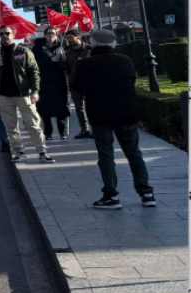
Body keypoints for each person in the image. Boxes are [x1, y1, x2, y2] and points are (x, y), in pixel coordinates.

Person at [70, 29, 155, 209]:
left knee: (106, 155)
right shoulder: (125, 60)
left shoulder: (85, 64)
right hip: (126, 114)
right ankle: (146, 193)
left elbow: (76, 87)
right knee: (134, 153)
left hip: (100, 115)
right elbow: (132, 81)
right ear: (113, 43)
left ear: (92, 43)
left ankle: (111, 196)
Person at [0, 26, 53, 163]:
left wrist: (35, 91)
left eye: (7, 33)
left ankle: (42, 151)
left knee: (33, 124)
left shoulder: (23, 51)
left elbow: (34, 71)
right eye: (1, 34)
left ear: (13, 34)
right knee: (11, 127)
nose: (4, 36)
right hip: (4, 95)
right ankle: (18, 151)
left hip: (23, 94)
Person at [34, 26, 71, 141]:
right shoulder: (38, 48)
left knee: (61, 109)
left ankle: (62, 132)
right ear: (45, 35)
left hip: (59, 83)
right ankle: (48, 133)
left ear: (56, 35)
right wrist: (50, 60)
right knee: (44, 109)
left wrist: (60, 60)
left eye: (53, 33)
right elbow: (35, 65)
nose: (50, 36)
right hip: (44, 83)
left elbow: (67, 66)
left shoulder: (62, 47)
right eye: (48, 33)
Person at [63, 30, 93, 139]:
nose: (69, 40)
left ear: (78, 37)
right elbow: (66, 68)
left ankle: (95, 129)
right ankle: (84, 130)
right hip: (74, 84)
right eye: (67, 38)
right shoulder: (67, 51)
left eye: (71, 37)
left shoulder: (89, 49)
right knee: (79, 108)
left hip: (89, 83)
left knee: (91, 107)